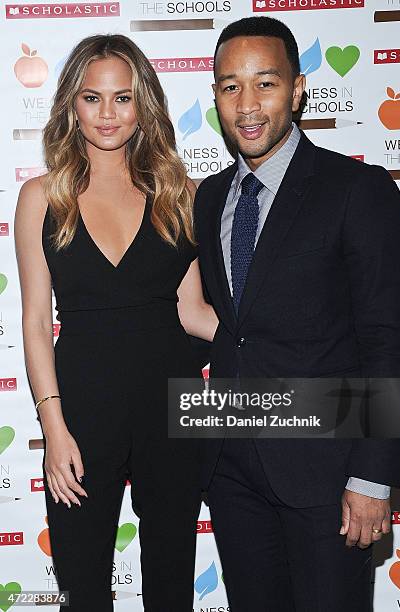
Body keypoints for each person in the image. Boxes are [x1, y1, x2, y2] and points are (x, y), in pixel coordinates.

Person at [193, 16, 400, 611]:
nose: (247, 104)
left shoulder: (358, 189)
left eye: (264, 83)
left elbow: (390, 342)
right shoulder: (209, 196)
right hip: (233, 468)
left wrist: (373, 477)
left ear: (297, 89)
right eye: (229, 86)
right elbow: (234, 330)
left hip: (330, 473)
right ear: (215, 95)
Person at [14, 34, 217, 612]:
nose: (108, 114)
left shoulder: (179, 194)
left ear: (143, 104)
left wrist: (275, 348)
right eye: (92, 98)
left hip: (174, 409)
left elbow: (192, 311)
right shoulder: (41, 198)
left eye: (122, 98)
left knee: (173, 581)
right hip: (81, 410)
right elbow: (34, 324)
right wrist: (54, 430)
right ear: (71, 108)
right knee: (82, 585)